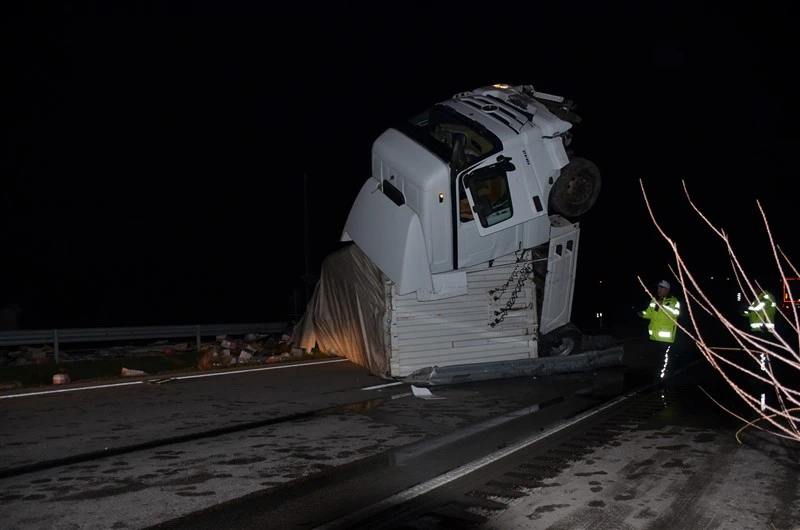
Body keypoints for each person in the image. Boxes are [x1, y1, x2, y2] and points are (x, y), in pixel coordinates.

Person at [639, 280, 681, 379]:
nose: (658, 290)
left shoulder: (673, 301)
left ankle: (663, 382)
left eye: (661, 288)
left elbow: (675, 314)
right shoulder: (654, 300)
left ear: (667, 290)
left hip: (666, 339)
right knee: (657, 361)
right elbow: (649, 313)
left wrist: (662, 305)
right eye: (658, 288)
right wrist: (643, 314)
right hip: (654, 337)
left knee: (665, 361)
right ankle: (657, 379)